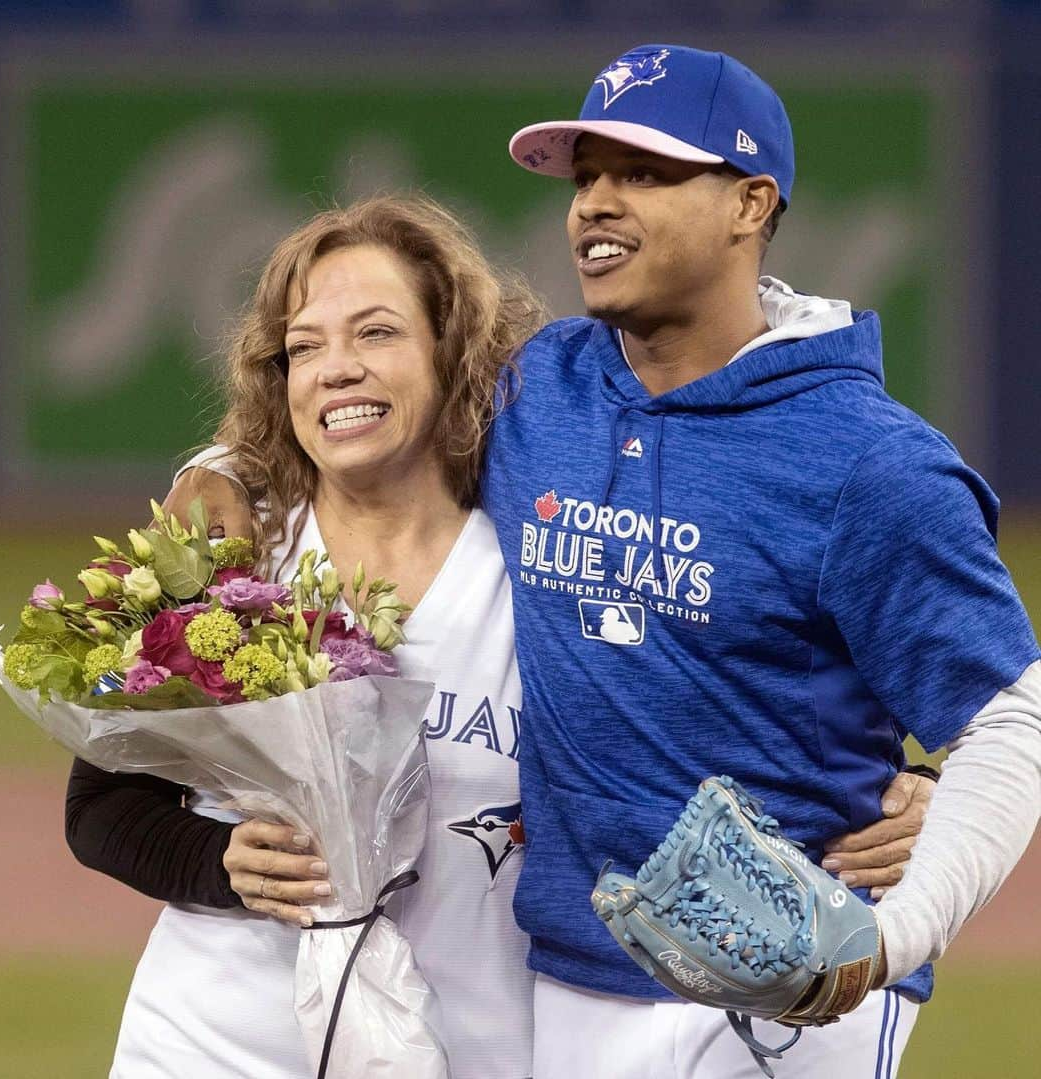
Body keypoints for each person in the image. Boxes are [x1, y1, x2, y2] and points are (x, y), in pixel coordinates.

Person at [173, 43, 1039, 1078]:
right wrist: (225, 465)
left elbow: (1009, 718)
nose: (594, 204)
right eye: (585, 175)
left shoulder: (868, 463)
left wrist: (890, 937)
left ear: (750, 202)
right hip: (575, 974)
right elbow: (359, 410)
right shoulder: (545, 386)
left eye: (645, 172)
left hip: (785, 987)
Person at [66, 195, 934, 1078]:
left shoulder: (545, 558)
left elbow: (725, 679)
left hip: (469, 1049)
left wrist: (903, 784)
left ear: (451, 354)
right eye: (304, 346)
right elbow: (98, 811)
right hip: (211, 1043)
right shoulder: (228, 556)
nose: (335, 369)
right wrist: (223, 863)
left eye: (376, 334)